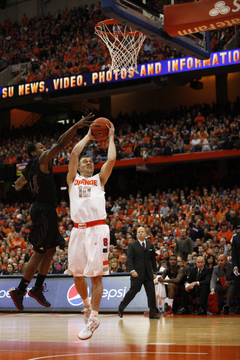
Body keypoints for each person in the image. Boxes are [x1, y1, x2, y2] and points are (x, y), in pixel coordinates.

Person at [9, 113, 94, 311]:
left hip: (46, 209)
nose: (44, 148)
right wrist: (76, 126)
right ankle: (20, 290)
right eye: (40, 147)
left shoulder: (28, 167)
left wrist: (16, 185)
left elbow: (20, 183)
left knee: (51, 249)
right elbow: (60, 144)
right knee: (39, 252)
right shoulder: (41, 159)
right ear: (33, 154)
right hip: (43, 209)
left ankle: (37, 288)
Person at [67, 121, 116, 341]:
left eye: (91, 161)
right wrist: (88, 135)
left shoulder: (99, 180)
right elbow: (74, 152)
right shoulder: (72, 180)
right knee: (77, 275)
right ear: (78, 167)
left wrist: (111, 137)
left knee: (96, 276)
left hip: (97, 230)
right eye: (84, 161)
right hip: (78, 231)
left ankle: (94, 318)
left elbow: (112, 159)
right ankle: (86, 306)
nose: (88, 162)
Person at [118, 226, 159, 320]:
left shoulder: (150, 246)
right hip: (137, 273)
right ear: (136, 235)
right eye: (139, 232)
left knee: (151, 293)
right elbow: (130, 259)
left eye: (142, 231)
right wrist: (132, 270)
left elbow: (153, 260)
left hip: (148, 274)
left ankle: (152, 313)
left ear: (145, 234)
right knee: (133, 291)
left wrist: (155, 271)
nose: (141, 233)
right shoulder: (132, 245)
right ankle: (121, 307)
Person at [231, 225, 240, 313]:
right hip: (239, 267)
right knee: (238, 288)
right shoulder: (236, 238)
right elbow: (234, 255)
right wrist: (235, 266)